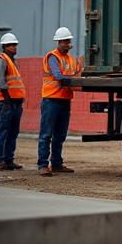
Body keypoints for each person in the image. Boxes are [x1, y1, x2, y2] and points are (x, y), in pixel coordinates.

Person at [38, 27, 80, 177]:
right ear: (58, 42)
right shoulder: (52, 57)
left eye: (68, 41)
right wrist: (74, 80)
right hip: (51, 99)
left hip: (65, 100)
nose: (67, 44)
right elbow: (57, 75)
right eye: (64, 41)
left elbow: (76, 74)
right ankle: (43, 165)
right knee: (46, 134)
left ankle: (56, 163)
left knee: (60, 135)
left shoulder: (71, 60)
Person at [0, 33, 25, 171]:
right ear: (4, 46)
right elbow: (0, 81)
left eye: (15, 44)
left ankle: (8, 160)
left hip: (15, 102)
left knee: (12, 132)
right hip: (5, 102)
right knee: (2, 132)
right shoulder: (1, 61)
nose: (14, 47)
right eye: (11, 45)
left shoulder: (13, 61)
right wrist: (7, 99)